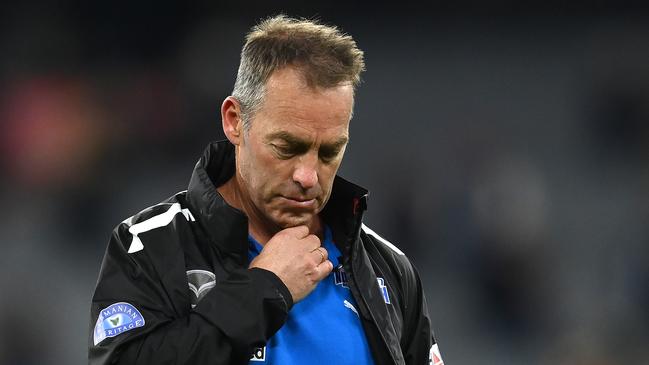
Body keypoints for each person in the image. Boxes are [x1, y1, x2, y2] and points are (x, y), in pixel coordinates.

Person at [89, 15, 443, 365]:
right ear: (234, 122)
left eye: (329, 152)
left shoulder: (388, 268)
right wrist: (265, 289)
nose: (308, 176)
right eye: (287, 147)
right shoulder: (150, 247)